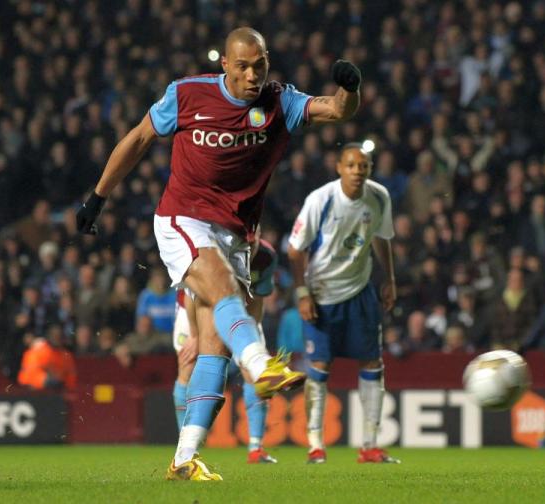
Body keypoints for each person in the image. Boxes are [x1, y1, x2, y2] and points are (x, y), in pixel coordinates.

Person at [75, 27, 362, 480]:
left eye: (260, 66)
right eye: (243, 66)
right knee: (223, 291)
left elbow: (336, 111)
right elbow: (139, 138)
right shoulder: (187, 95)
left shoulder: (279, 102)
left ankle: (183, 459)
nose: (252, 76)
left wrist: (349, 89)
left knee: (213, 349)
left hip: (234, 235)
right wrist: (98, 196)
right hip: (182, 220)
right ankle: (260, 363)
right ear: (224, 64)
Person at [287, 143, 398, 464]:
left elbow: (381, 236)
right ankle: (315, 446)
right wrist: (302, 293)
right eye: (351, 166)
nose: (357, 172)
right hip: (322, 294)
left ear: (370, 170)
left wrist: (388, 278)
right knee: (319, 368)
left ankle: (370, 445)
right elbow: (295, 251)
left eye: (363, 166)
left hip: (361, 291)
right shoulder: (320, 200)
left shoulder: (378, 197)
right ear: (339, 168)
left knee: (372, 364)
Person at [172, 234, 279, 464]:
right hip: (192, 308)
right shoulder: (218, 245)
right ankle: (185, 448)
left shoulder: (266, 257)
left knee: (255, 371)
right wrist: (195, 335)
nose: (250, 241)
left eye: (254, 237)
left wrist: (248, 340)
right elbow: (194, 294)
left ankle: (256, 448)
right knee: (188, 366)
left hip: (238, 312)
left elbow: (257, 301)